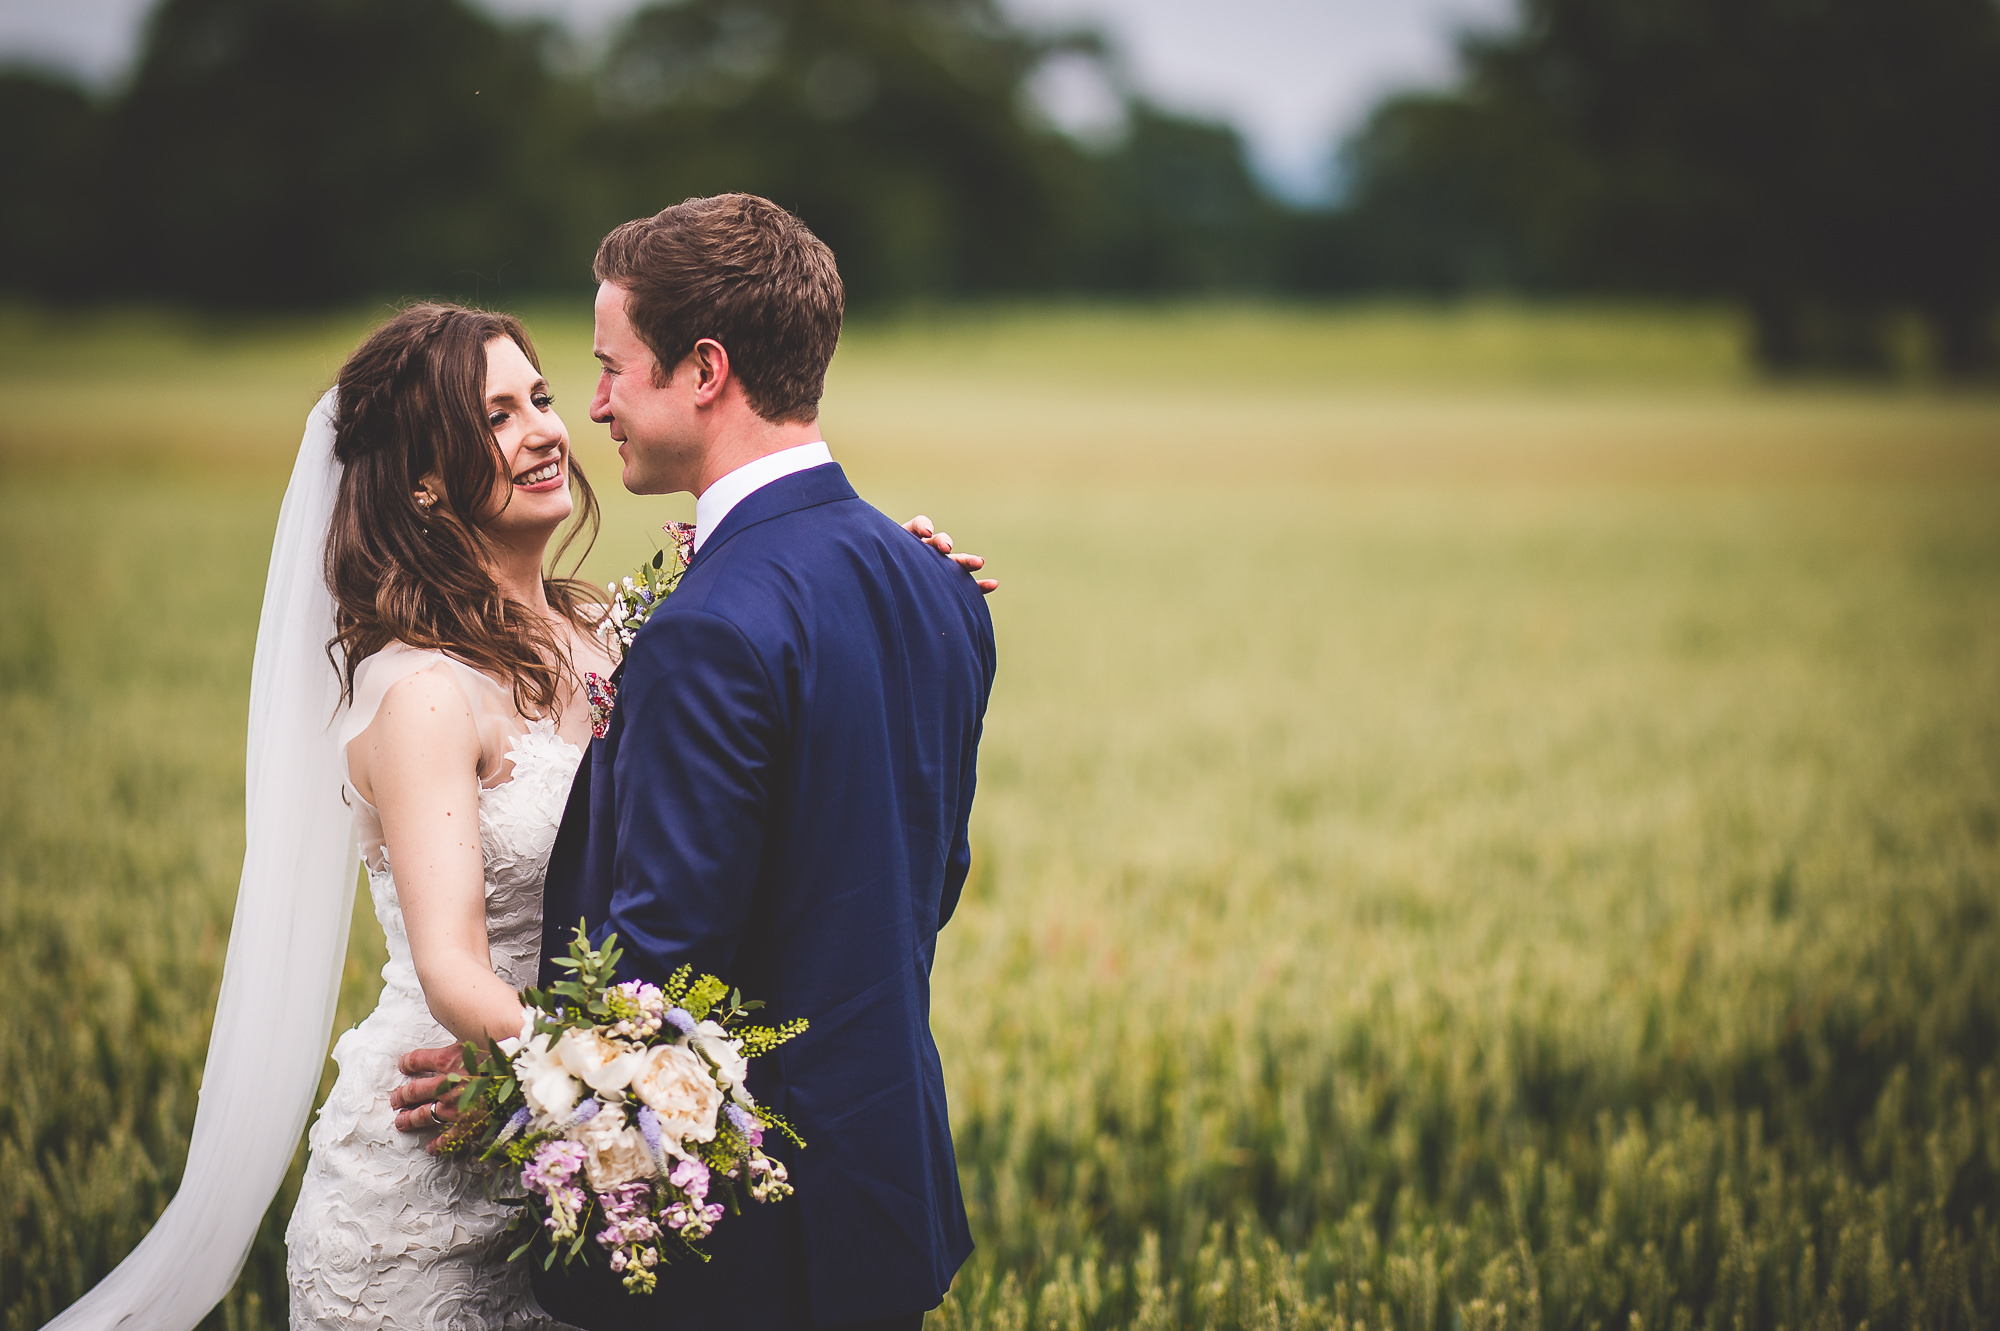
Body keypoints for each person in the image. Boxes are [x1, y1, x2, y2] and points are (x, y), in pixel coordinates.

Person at [39, 299, 991, 1331]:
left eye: (540, 396)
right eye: (496, 414)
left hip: (590, 1156)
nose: (544, 425)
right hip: (441, 1162)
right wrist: (567, 1077)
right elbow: (453, 968)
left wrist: (891, 576)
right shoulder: (423, 691)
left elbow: (757, 741)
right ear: (422, 479)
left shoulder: (608, 630)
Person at [407, 193, 995, 1331]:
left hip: (743, 1232)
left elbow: (659, 972)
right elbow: (926, 879)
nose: (593, 405)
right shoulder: (939, 583)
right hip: (886, 1184)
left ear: (704, 369)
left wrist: (507, 1074)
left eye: (611, 366)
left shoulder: (709, 627)